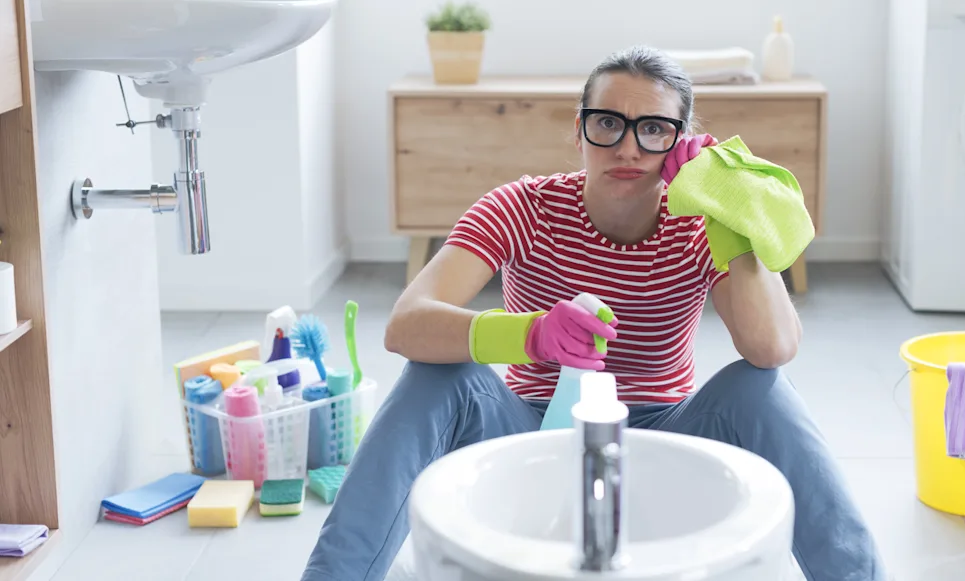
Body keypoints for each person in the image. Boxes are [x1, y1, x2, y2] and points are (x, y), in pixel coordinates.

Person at [301, 45, 888, 581]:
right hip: (529, 428)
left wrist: (726, 209)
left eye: (654, 129)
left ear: (681, 142)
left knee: (761, 390)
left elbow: (773, 348)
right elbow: (406, 324)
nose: (629, 147)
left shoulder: (700, 226)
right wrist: (530, 335)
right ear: (579, 131)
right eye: (608, 122)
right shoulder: (521, 206)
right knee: (437, 371)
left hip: (664, 435)